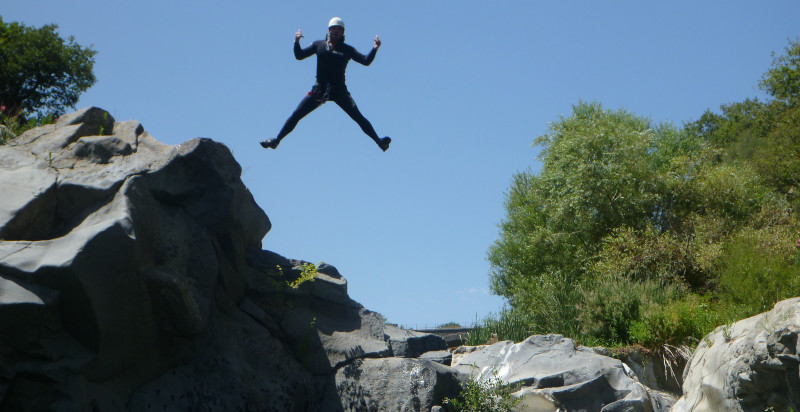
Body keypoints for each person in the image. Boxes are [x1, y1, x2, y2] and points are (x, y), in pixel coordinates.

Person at [261, 17, 391, 152]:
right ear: (329, 30)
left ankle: (379, 142)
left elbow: (365, 60)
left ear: (343, 33)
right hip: (320, 91)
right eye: (334, 28)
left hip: (340, 92)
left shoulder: (347, 50)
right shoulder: (319, 45)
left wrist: (375, 48)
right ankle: (277, 140)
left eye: (339, 29)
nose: (336, 31)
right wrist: (296, 41)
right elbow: (299, 55)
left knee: (358, 117)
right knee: (296, 114)